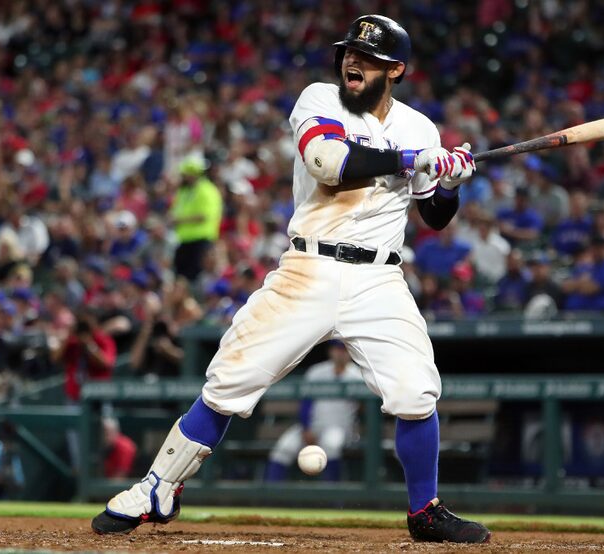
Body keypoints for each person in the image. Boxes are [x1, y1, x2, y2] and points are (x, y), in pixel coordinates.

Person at [91, 15, 490, 544]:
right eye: (351, 52)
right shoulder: (320, 100)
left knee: (416, 390)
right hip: (311, 266)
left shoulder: (419, 127)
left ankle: (426, 511)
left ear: (396, 70)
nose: (354, 61)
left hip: (380, 276)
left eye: (369, 57)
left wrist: (447, 183)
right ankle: (158, 487)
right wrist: (413, 160)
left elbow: (435, 217)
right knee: (231, 378)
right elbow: (329, 162)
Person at [264, 341, 362, 482]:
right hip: (312, 426)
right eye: (337, 349)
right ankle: (271, 498)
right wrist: (306, 428)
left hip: (339, 427)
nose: (340, 353)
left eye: (344, 349)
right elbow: (306, 403)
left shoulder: (358, 375)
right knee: (284, 448)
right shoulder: (317, 371)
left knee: (331, 445)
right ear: (331, 351)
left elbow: (365, 408)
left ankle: (332, 499)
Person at [169, 156, 223, 281]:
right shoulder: (184, 191)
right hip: (184, 239)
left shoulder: (207, 190)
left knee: (196, 277)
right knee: (180, 276)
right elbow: (175, 209)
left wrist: (180, 220)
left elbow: (204, 216)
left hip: (201, 239)